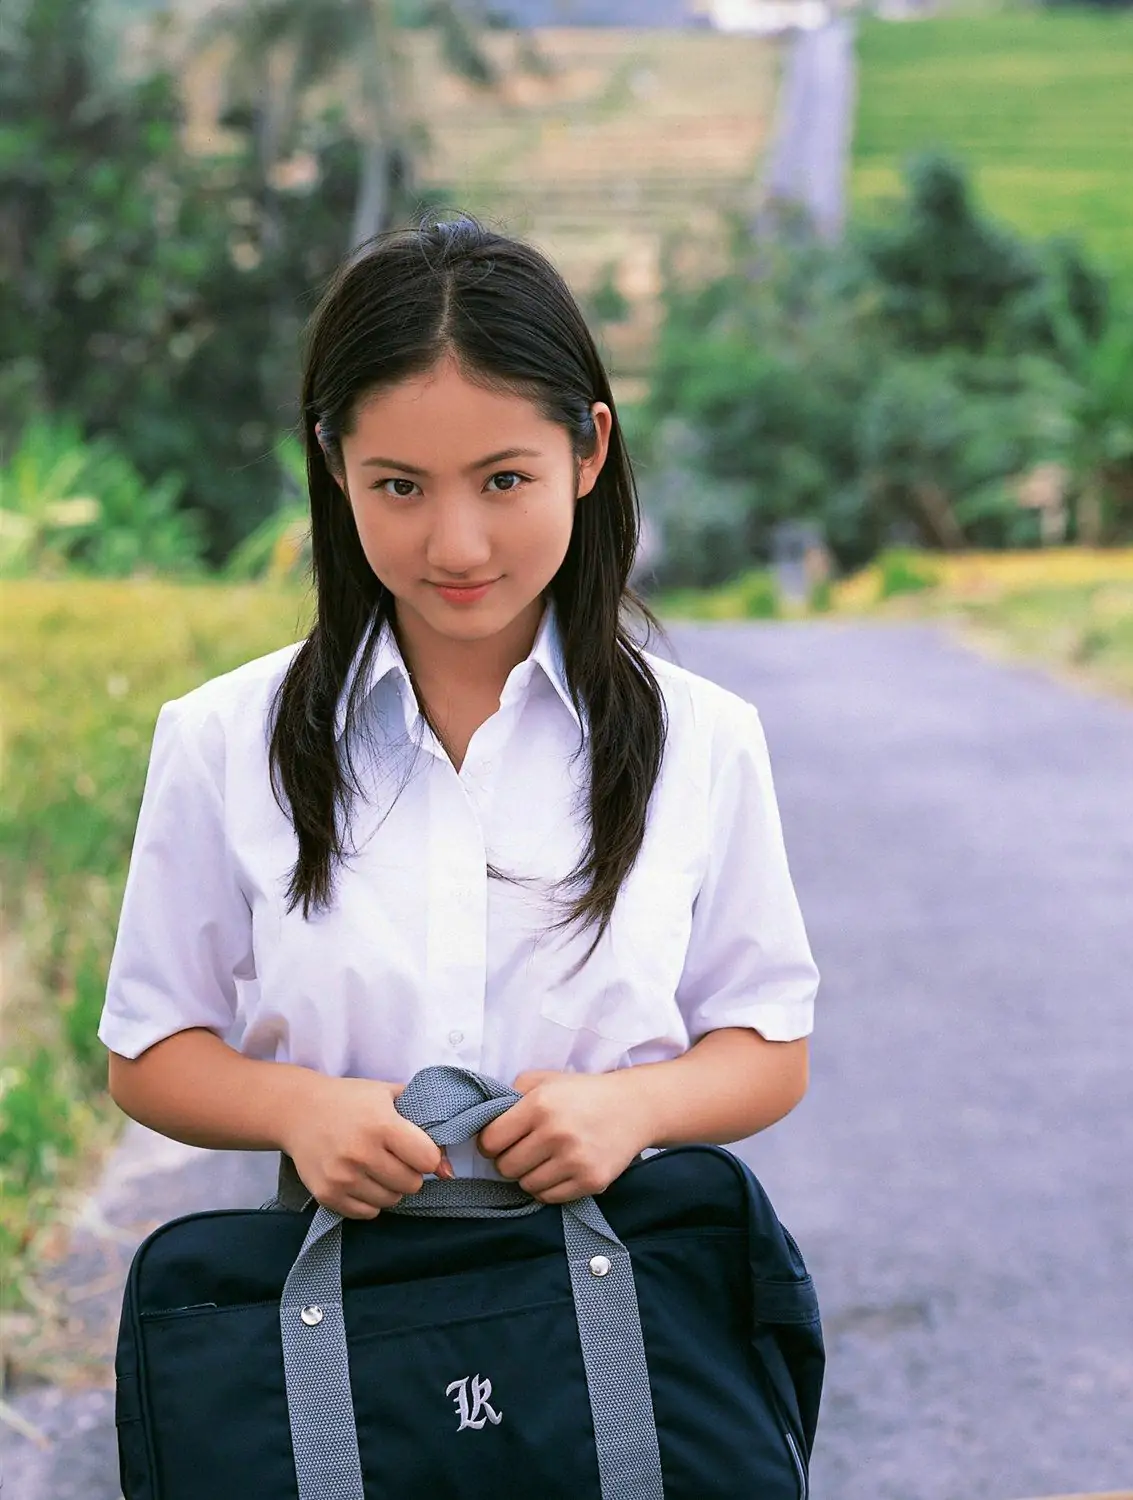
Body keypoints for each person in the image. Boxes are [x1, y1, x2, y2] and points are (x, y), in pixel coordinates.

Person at [99, 215, 820, 1222]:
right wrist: (300, 1110)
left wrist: (632, 1109)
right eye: (398, 486)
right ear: (333, 465)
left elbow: (765, 1043)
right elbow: (150, 1049)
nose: (458, 544)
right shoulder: (224, 739)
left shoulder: (700, 739)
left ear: (587, 450)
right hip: (338, 1329)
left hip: (606, 1313)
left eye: (503, 480)